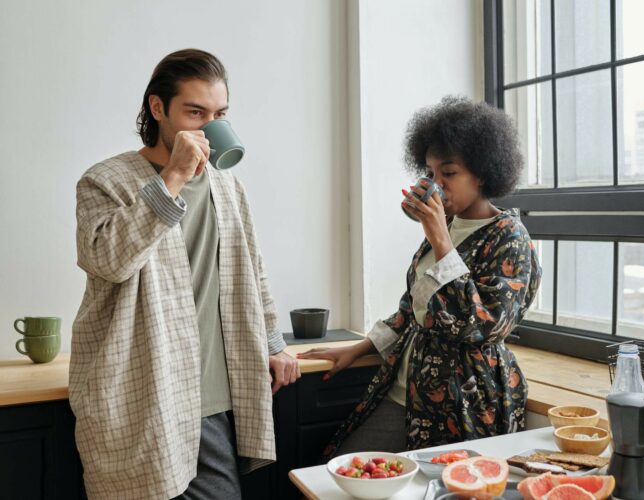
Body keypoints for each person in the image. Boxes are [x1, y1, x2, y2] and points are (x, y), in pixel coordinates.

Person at [70, 49, 300, 500]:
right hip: (142, 393)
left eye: (219, 114)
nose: (208, 125)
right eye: (195, 112)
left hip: (211, 397)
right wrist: (172, 176)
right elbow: (109, 260)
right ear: (158, 108)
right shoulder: (104, 180)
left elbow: (252, 269)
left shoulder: (225, 183)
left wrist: (273, 343)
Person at [298, 96, 542, 456]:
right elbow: (412, 309)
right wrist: (358, 348)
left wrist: (440, 237)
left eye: (449, 173)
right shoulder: (445, 226)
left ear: (484, 171)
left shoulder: (508, 237)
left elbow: (486, 325)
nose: (437, 184)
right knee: (341, 468)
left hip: (466, 402)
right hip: (407, 390)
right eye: (430, 173)